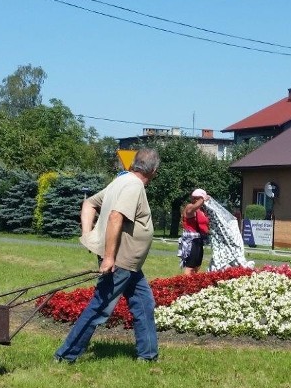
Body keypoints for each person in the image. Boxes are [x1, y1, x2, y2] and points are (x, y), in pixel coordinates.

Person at [54, 148, 160, 363]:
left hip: (130, 263)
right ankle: (65, 356)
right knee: (100, 307)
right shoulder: (133, 185)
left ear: (134, 163)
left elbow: (89, 203)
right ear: (154, 171)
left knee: (143, 303)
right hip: (121, 261)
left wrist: (88, 235)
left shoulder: (121, 181)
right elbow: (115, 217)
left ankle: (148, 355)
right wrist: (109, 257)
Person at [179, 188, 210, 274]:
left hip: (199, 240)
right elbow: (192, 209)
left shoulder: (202, 210)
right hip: (191, 240)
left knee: (197, 266)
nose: (194, 199)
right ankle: (185, 285)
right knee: (190, 266)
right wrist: (202, 199)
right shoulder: (190, 207)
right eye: (195, 198)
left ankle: (193, 285)